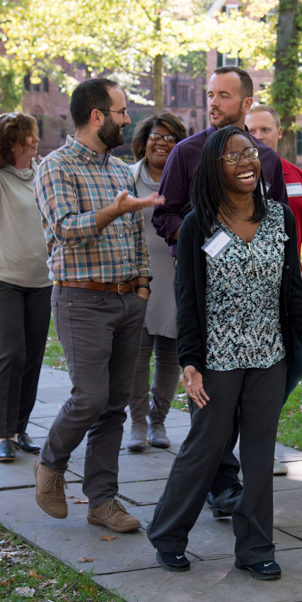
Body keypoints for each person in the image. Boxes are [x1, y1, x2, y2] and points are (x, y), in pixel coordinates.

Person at [147, 126, 302, 580]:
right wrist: (190, 362)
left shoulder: (280, 218)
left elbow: (292, 291)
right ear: (215, 168)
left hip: (269, 356)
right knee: (205, 448)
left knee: (258, 454)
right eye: (233, 157)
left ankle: (255, 548)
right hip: (215, 359)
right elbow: (188, 298)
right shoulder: (197, 225)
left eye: (249, 152)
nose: (246, 162)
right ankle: (168, 534)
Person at [152, 66, 289, 517]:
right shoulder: (187, 154)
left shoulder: (266, 161)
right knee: (209, 420)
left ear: (246, 104)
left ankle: (243, 515)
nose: (214, 102)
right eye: (210, 94)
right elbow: (166, 215)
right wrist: (203, 243)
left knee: (249, 418)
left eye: (224, 96)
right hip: (204, 298)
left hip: (261, 313)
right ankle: (218, 486)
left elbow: (278, 228)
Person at [32, 78, 163, 534]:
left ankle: (102, 501)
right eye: (121, 111)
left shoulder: (118, 170)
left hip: (129, 299)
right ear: (96, 117)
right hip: (81, 299)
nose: (128, 119)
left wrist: (143, 285)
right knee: (90, 397)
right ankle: (51, 463)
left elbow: (135, 235)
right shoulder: (55, 167)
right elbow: (67, 229)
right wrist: (116, 210)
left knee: (115, 407)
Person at [0, 112, 52, 463]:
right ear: (9, 143)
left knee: (32, 359)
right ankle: (4, 434)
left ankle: (21, 428)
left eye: (34, 135)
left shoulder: (44, 175)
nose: (35, 140)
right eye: (27, 137)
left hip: (41, 282)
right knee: (11, 354)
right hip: (2, 280)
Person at [246, 104, 302, 474]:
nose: (258, 137)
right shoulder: (236, 176)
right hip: (248, 292)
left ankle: (259, 435)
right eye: (251, 131)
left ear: (280, 134)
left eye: (265, 130)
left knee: (294, 363)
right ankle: (239, 446)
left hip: (290, 289)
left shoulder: (295, 176)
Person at [125, 113, 188, 452]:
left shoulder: (186, 179)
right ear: (143, 140)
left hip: (176, 275)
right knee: (137, 354)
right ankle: (136, 423)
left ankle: (158, 421)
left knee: (169, 354)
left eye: (169, 137)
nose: (161, 142)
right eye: (155, 136)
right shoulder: (127, 177)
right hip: (136, 274)